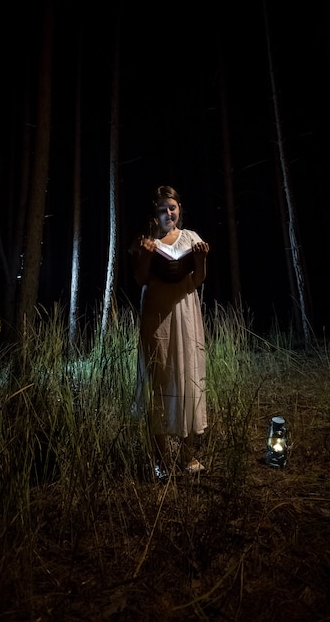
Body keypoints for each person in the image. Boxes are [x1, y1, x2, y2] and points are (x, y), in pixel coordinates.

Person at [131, 185, 210, 479]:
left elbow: (198, 278)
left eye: (172, 208)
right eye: (163, 209)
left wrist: (200, 258)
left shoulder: (191, 238)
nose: (168, 213)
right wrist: (147, 255)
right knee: (160, 378)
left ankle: (189, 456)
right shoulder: (147, 241)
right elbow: (140, 278)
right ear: (156, 213)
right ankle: (162, 460)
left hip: (185, 310)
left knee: (186, 374)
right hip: (156, 313)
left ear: (179, 210)